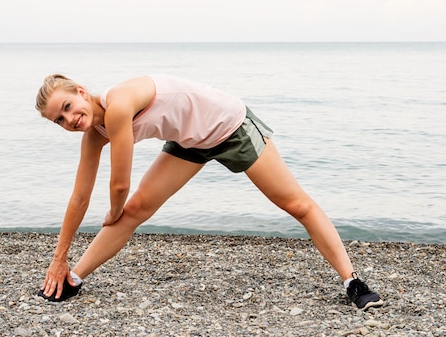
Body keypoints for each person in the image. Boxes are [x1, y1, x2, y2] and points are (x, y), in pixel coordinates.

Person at [34, 73, 384, 310]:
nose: (70, 120)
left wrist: (113, 209)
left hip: (230, 126)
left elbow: (119, 184)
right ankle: (72, 279)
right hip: (190, 142)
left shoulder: (120, 103)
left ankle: (352, 282)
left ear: (81, 91)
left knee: (296, 204)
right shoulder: (95, 134)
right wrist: (58, 259)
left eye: (67, 107)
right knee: (137, 208)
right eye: (59, 121)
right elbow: (79, 198)